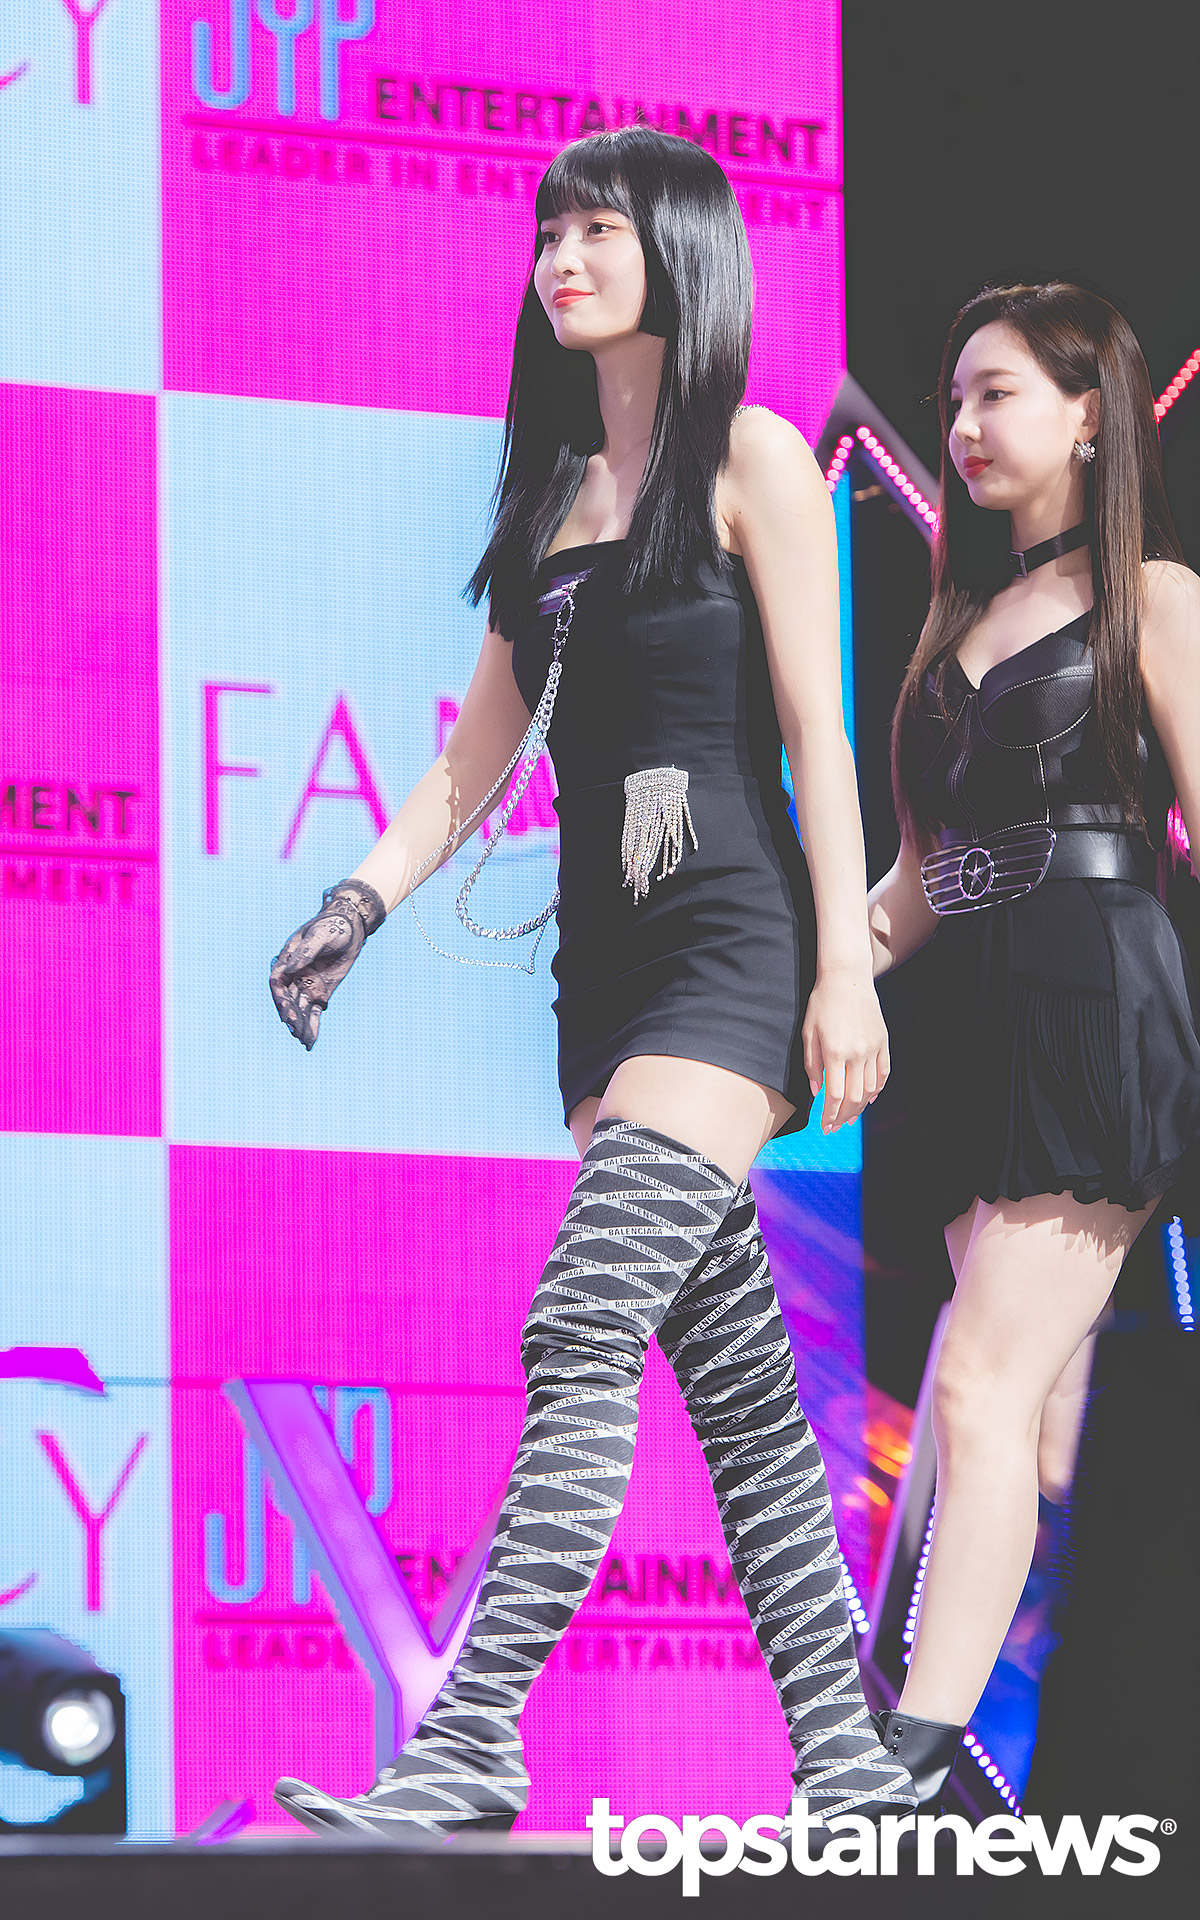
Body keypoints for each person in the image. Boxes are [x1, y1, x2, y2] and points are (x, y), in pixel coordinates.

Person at [268, 125, 916, 1839]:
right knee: (742, 1394)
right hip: (607, 971)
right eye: (548, 232)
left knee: (578, 1326)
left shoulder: (752, 457)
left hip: (735, 943)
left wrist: (845, 972)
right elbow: (469, 762)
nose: (560, 258)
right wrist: (353, 904)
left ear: (679, 253)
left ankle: (471, 1738)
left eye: (598, 232)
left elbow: (817, 731)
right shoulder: (549, 498)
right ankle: (848, 1766)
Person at [866, 282, 1200, 1807]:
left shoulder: (1158, 600)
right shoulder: (959, 620)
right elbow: (919, 881)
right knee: (982, 1393)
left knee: (984, 1387)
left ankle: (914, 1754)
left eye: (996, 392)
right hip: (971, 1024)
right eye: (953, 398)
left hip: (1099, 1005)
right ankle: (920, 1749)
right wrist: (798, 979)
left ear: (1090, 417)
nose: (963, 425)